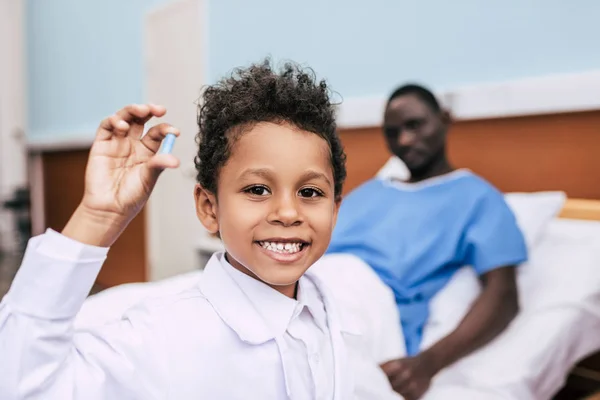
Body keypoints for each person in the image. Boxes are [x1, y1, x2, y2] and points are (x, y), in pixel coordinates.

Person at [0, 60, 395, 399]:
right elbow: (21, 384)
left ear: (335, 209)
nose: (288, 212)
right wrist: (97, 216)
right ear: (209, 208)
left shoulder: (329, 315)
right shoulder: (162, 338)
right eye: (257, 189)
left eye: (310, 191)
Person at [326, 84, 528, 400]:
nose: (404, 140)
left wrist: (427, 363)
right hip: (312, 282)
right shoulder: (368, 193)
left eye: (415, 125)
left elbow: (503, 295)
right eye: (393, 132)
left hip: (369, 307)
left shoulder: (477, 198)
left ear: (444, 118)